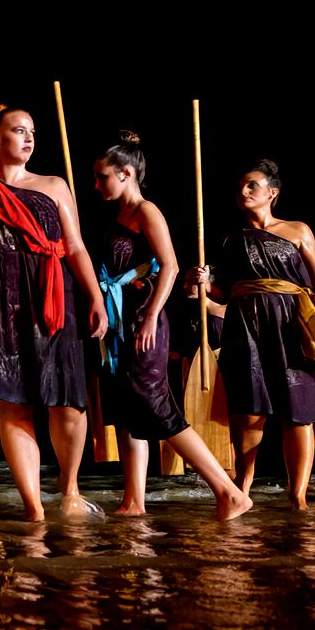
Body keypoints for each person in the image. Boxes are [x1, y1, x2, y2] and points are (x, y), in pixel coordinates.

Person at [0, 103, 108, 521]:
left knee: (68, 405)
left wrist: (94, 295)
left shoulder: (54, 185)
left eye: (33, 132)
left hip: (54, 299)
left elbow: (74, 246)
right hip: (2, 305)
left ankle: (70, 489)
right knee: (15, 403)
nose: (28, 138)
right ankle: (34, 508)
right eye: (19, 131)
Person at [92, 134, 253, 520]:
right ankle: (134, 501)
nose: (97, 185)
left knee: (156, 405)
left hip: (145, 322)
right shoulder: (118, 217)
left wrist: (148, 317)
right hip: (122, 325)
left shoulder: (147, 211)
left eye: (102, 177)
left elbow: (171, 266)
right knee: (131, 411)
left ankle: (229, 492)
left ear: (126, 173)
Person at [189, 159, 315, 511]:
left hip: (291, 324)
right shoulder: (229, 238)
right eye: (240, 186)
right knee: (249, 408)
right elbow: (224, 291)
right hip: (245, 326)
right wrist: (203, 285)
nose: (244, 191)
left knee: (297, 409)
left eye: (252, 185)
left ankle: (297, 495)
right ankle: (241, 487)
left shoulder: (297, 230)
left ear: (273, 193)